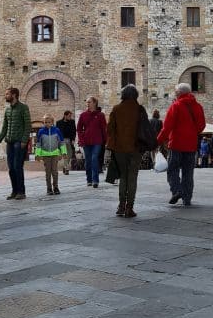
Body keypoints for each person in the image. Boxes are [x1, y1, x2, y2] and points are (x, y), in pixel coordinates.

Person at [157, 83, 205, 208]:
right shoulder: (198, 107)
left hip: (177, 144)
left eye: (175, 91)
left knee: (172, 169)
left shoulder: (176, 106)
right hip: (191, 145)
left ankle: (177, 190)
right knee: (188, 172)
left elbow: (167, 127)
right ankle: (187, 199)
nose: (174, 93)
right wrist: (193, 133)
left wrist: (158, 140)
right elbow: (202, 125)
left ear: (179, 93)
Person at [107, 84, 151, 218]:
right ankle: (129, 208)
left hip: (119, 149)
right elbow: (146, 128)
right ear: (136, 95)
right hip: (136, 148)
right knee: (132, 178)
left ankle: (121, 206)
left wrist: (112, 146)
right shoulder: (140, 109)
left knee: (123, 178)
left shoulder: (116, 109)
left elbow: (110, 130)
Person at [0, 86, 31, 200]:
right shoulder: (7, 110)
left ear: (14, 95)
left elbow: (28, 126)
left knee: (18, 167)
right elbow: (4, 127)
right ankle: (14, 191)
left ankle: (21, 192)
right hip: (9, 142)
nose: (5, 96)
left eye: (7, 94)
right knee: (11, 168)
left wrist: (24, 141)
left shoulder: (23, 108)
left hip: (19, 142)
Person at [77, 96, 107, 188]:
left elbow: (104, 129)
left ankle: (95, 180)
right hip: (86, 141)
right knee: (88, 161)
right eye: (87, 102)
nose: (87, 104)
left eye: (89, 102)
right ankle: (89, 179)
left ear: (94, 103)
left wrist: (105, 141)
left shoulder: (101, 115)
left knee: (94, 159)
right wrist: (81, 139)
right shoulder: (83, 115)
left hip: (97, 141)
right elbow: (78, 129)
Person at [35, 115, 66, 195]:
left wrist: (63, 152)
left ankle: (56, 187)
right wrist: (37, 154)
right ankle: (49, 188)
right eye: (45, 122)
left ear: (52, 122)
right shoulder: (41, 131)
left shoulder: (57, 130)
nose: (47, 124)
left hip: (55, 154)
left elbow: (61, 142)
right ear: (43, 123)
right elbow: (38, 144)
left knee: (55, 171)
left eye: (49, 122)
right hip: (45, 155)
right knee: (48, 172)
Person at [56, 110, 76, 175]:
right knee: (65, 153)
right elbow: (57, 132)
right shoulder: (59, 122)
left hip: (69, 140)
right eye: (69, 116)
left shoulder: (72, 122)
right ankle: (66, 167)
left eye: (71, 116)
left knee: (70, 154)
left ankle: (65, 166)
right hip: (62, 140)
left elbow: (74, 131)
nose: (70, 117)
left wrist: (73, 139)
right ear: (65, 115)